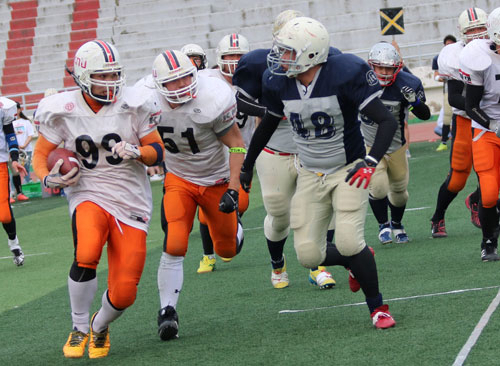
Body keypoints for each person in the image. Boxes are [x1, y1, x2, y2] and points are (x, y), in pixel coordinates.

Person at [240, 17, 398, 328]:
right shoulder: (278, 81)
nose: (280, 58)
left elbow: (387, 121)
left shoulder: (344, 74)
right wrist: (247, 166)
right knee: (309, 256)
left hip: (348, 169)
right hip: (310, 173)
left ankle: (377, 307)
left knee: (350, 241)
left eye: (287, 52)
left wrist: (370, 160)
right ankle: (357, 262)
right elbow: (268, 126)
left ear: (310, 53)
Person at [32, 39, 164, 359]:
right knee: (87, 251)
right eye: (102, 76)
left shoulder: (134, 104)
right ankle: (78, 327)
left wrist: (138, 152)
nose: (111, 82)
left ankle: (99, 325)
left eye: (114, 74)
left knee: (125, 293)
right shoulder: (62, 109)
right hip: (87, 191)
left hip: (131, 199)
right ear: (82, 76)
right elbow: (41, 153)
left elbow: (157, 150)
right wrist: (46, 177)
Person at [141, 50, 245, 341]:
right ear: (158, 83)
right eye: (173, 81)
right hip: (179, 179)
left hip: (216, 179)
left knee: (226, 251)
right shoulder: (144, 99)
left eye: (186, 76)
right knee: (175, 241)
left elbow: (237, 144)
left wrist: (234, 188)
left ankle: (235, 233)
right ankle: (167, 312)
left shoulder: (214, 96)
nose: (182, 84)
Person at [232, 9, 337, 290]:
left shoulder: (329, 61)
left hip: (310, 150)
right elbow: (240, 103)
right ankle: (277, 264)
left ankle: (318, 265)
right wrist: (273, 112)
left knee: (321, 209)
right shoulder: (258, 65)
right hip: (275, 150)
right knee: (279, 215)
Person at [195, 33, 254, 273]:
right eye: (229, 56)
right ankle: (208, 255)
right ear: (219, 58)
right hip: (214, 154)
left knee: (241, 203)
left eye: (239, 56)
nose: (234, 61)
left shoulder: (255, 79)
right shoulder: (207, 79)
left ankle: (230, 227)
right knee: (204, 213)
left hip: (241, 153)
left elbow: (260, 117)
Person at [363, 42, 431, 244]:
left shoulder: (407, 83)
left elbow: (425, 115)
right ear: (371, 66)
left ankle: (397, 224)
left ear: (397, 68)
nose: (384, 72)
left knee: (400, 193)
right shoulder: (359, 82)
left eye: (388, 68)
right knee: (378, 187)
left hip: (396, 146)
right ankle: (383, 225)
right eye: (380, 67)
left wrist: (415, 102)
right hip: (368, 143)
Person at [430, 7, 489, 238]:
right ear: (461, 32)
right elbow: (454, 96)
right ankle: (438, 216)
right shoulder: (453, 55)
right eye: (471, 30)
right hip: (466, 119)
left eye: (480, 28)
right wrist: (479, 110)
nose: (476, 34)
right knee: (457, 178)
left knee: (491, 170)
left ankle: (476, 200)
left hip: (493, 118)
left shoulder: (496, 48)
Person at [460, 7, 500, 261]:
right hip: (487, 130)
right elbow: (470, 106)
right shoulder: (479, 56)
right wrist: (494, 125)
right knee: (488, 192)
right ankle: (488, 243)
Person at [0, 96, 27, 266]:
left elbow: (10, 133)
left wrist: (15, 157)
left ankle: (14, 243)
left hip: (0, 163)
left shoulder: (4, 106)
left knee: (4, 213)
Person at [433, 35, 457, 152]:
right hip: (448, 90)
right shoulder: (439, 58)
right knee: (447, 116)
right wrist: (442, 77)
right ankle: (444, 141)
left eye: (451, 44)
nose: (449, 47)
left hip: (462, 89)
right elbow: (436, 76)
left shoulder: (461, 55)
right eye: (447, 45)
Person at [13, 102, 35, 185]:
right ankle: (16, 190)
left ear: (19, 109)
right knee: (15, 171)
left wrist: (24, 146)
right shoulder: (10, 123)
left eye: (16, 109)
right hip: (15, 150)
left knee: (26, 168)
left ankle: (27, 186)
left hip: (27, 150)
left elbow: (30, 135)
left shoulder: (26, 122)